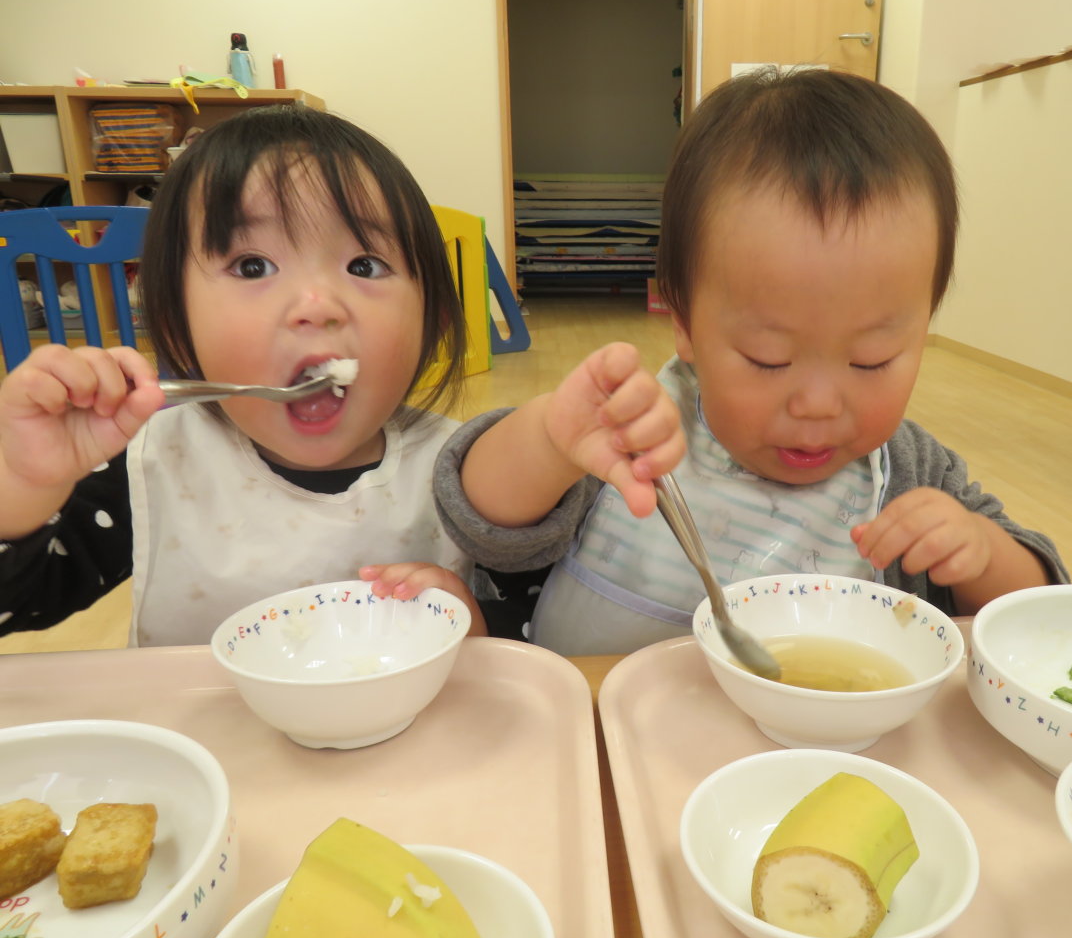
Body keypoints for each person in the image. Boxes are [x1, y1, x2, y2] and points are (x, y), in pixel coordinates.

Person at [435, 68, 1068, 656]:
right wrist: (550, 440)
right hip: (596, 732)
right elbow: (479, 522)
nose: (818, 403)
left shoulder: (910, 473)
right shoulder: (634, 433)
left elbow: (1039, 610)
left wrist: (984, 555)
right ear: (683, 320)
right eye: (768, 359)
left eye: (872, 359)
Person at [0, 104, 674, 646]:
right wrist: (24, 482)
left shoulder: (462, 477)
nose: (316, 307)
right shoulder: (155, 465)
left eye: (363, 266)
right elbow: (18, 606)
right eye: (253, 267)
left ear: (434, 320)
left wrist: (475, 627)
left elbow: (531, 630)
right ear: (174, 320)